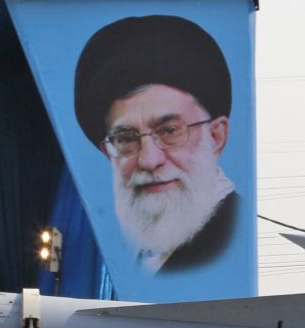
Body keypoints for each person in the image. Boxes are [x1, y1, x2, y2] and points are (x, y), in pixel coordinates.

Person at [74, 15, 238, 274]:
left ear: (216, 137)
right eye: (126, 139)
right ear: (108, 152)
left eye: (169, 131)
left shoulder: (231, 239)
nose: (149, 160)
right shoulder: (131, 253)